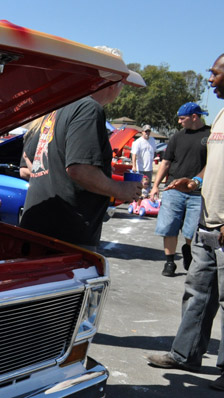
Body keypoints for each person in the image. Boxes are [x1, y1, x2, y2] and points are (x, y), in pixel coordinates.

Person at [146, 53, 224, 390]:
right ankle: (185, 354)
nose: (210, 79)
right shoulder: (220, 115)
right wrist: (196, 182)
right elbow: (215, 163)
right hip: (209, 220)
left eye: (215, 73)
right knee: (197, 292)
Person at [20, 49, 143, 250]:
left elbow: (31, 166)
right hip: (67, 235)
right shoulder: (88, 108)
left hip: (38, 227)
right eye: (121, 80)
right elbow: (80, 170)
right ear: (112, 81)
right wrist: (121, 189)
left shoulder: (54, 110)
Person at [149, 102, 211, 277]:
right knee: (169, 226)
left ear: (194, 117)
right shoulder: (177, 137)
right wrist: (155, 186)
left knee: (193, 231)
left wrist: (197, 181)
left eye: (182, 118)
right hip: (173, 189)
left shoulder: (210, 135)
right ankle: (169, 262)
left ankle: (189, 251)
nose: (179, 122)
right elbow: (166, 163)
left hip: (198, 193)